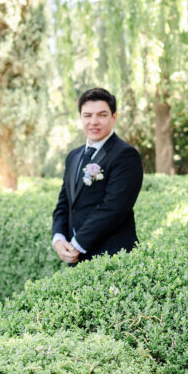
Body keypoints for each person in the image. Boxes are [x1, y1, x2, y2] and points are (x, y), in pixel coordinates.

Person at [52, 87, 143, 265]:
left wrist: (77, 245)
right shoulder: (73, 156)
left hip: (113, 259)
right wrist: (58, 239)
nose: (94, 121)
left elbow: (114, 208)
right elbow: (65, 203)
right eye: (87, 115)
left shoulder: (125, 155)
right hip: (75, 258)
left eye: (102, 115)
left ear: (114, 117)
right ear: (80, 118)